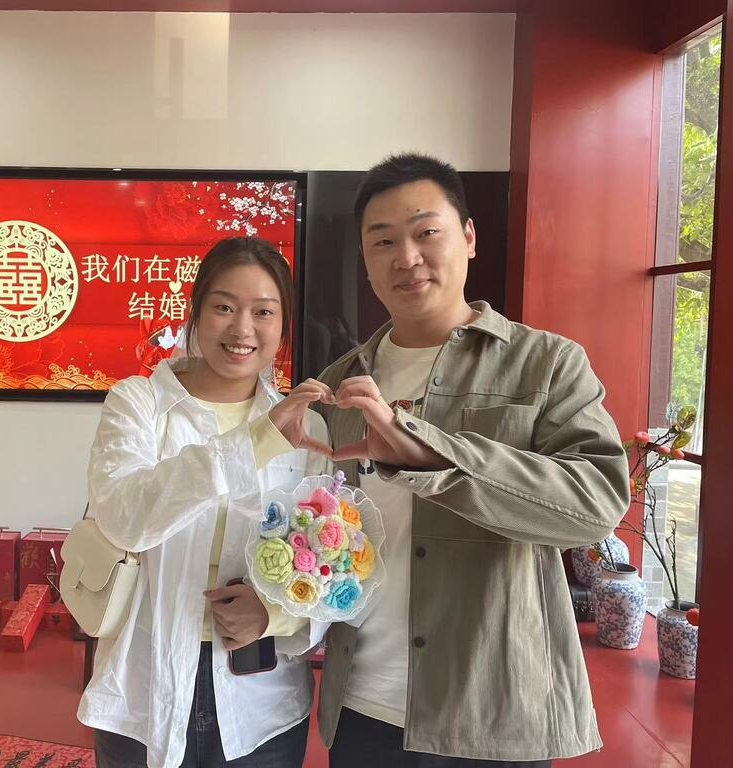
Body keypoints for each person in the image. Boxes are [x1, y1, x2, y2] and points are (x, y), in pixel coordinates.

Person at [312, 153, 631, 766]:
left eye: (426, 232)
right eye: (382, 242)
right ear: (366, 261)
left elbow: (595, 507)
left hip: (494, 711)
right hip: (362, 710)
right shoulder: (338, 385)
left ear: (469, 237)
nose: (406, 257)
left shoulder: (545, 365)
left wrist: (432, 456)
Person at [79, 236, 333, 768]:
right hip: (142, 690)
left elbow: (331, 563)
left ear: (282, 326)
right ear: (194, 313)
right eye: (224, 307)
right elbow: (125, 518)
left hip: (259, 706)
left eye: (263, 312)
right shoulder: (139, 403)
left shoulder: (307, 428)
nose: (243, 329)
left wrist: (274, 616)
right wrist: (256, 440)